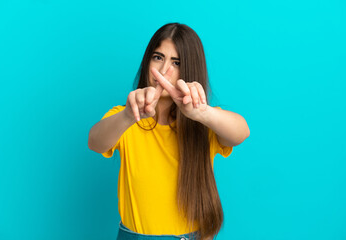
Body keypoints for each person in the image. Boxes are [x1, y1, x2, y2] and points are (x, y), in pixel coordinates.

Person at [88, 23, 250, 240]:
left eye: (177, 62)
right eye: (158, 57)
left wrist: (202, 113)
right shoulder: (126, 116)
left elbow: (241, 132)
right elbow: (95, 142)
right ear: (147, 61)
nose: (164, 71)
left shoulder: (205, 121)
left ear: (190, 69)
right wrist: (128, 115)